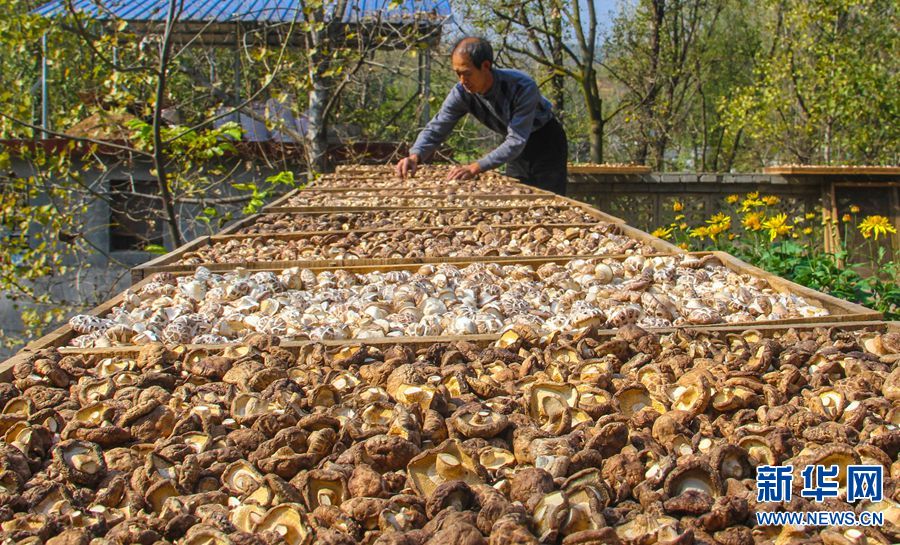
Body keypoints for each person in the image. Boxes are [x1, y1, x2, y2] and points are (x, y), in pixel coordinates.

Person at [396, 37, 568, 194]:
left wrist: (475, 167)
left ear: (485, 66)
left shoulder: (522, 87)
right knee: (518, 192)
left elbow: (517, 140)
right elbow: (438, 126)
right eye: (458, 73)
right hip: (514, 148)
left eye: (467, 73)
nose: (463, 81)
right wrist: (415, 155)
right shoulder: (461, 93)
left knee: (549, 199)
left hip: (546, 142)